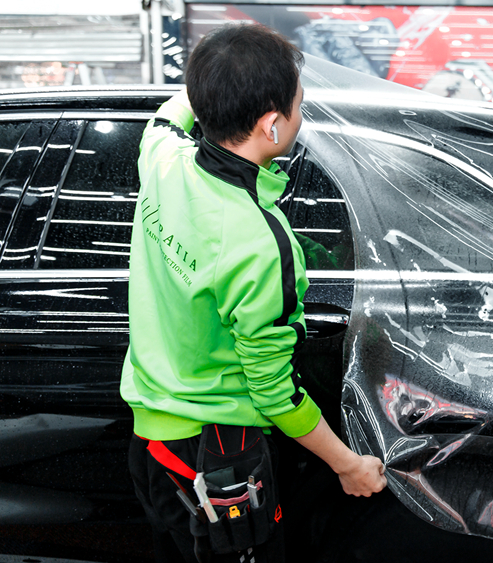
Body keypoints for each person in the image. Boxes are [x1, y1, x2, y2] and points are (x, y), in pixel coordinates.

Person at [120, 24, 386, 563]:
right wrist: (349, 465)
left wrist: (229, 67)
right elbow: (274, 392)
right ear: (271, 124)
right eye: (298, 106)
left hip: (150, 451)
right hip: (216, 463)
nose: (300, 117)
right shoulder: (259, 243)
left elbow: (172, 114)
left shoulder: (162, 158)